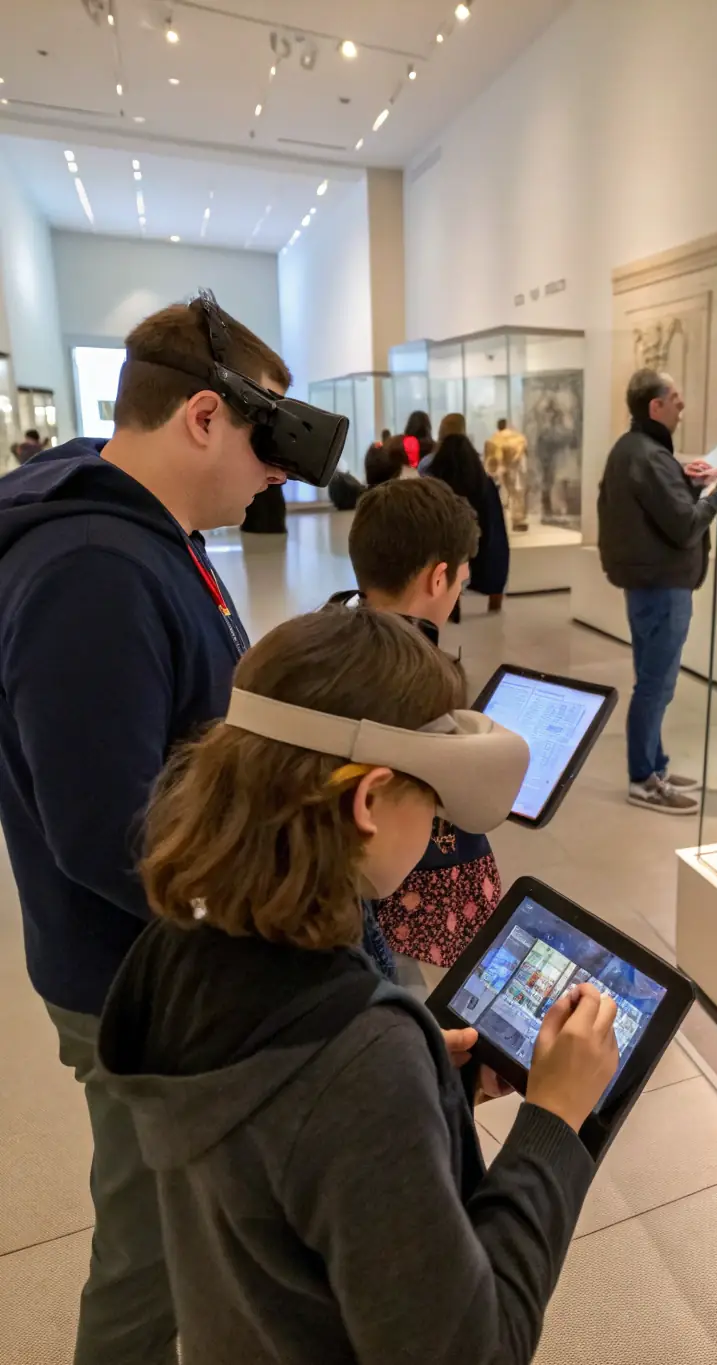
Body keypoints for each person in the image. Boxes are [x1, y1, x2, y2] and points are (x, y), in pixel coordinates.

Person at [96, 607, 618, 1364]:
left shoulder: (179, 949)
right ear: (368, 801)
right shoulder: (360, 1062)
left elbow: (284, 1154)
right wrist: (553, 1122)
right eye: (432, 803)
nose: (435, 827)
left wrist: (432, 1090)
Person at [0, 298, 292, 1365]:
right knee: (151, 1250)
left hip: (158, 957)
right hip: (135, 973)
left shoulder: (148, 534)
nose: (276, 477)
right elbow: (101, 828)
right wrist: (256, 915)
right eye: (266, 449)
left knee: (179, 1233)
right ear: (205, 417)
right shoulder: (96, 569)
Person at [342, 476, 503, 984]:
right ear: (439, 579)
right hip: (411, 892)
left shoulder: (332, 632)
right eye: (460, 581)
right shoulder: (420, 674)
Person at [597, 368, 717, 815]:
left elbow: (659, 509)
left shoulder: (634, 450)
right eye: (674, 397)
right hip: (661, 585)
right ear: (654, 406)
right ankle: (643, 780)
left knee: (653, 682)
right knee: (655, 685)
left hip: (649, 583)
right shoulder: (648, 455)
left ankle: (654, 766)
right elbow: (683, 526)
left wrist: (689, 483)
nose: (682, 404)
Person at [427, 431, 510, 614]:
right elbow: (494, 522)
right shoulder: (483, 483)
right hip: (480, 530)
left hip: (448, 534)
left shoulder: (438, 484)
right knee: (494, 550)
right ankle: (494, 603)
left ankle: (452, 603)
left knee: (449, 558)